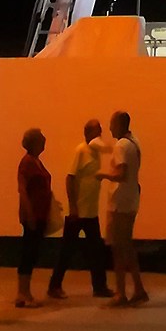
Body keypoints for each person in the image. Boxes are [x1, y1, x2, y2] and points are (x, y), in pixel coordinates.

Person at [48, 116, 110, 301]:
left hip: (90, 211)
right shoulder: (81, 151)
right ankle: (54, 286)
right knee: (67, 250)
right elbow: (70, 177)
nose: (100, 133)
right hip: (79, 211)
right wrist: (73, 205)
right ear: (88, 132)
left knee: (96, 250)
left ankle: (99, 286)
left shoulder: (95, 152)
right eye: (97, 130)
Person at [101, 108, 147, 306]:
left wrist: (102, 175)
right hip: (130, 199)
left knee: (119, 248)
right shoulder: (134, 142)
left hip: (120, 202)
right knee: (126, 245)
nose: (110, 128)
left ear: (119, 125)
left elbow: (122, 174)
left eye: (112, 124)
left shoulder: (121, 146)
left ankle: (121, 291)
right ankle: (138, 287)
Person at [16, 127, 53, 309]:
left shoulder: (36, 161)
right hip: (33, 214)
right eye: (42, 138)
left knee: (32, 252)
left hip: (40, 214)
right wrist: (28, 212)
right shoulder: (27, 163)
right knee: (28, 252)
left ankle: (25, 291)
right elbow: (22, 189)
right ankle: (22, 292)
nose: (45, 140)